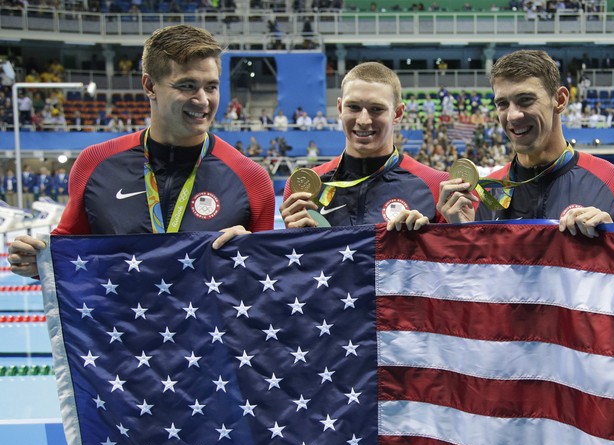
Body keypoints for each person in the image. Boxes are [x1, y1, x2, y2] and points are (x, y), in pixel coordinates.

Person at [7, 24, 275, 279]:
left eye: (211, 87)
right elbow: (67, 248)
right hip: (121, 326)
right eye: (187, 85)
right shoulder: (96, 164)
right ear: (149, 86)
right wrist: (35, 261)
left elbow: (268, 282)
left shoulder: (251, 179)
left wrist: (252, 254)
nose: (203, 100)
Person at [437, 49, 614, 236]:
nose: (512, 116)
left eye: (526, 100)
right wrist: (462, 234)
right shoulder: (478, 197)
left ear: (559, 100)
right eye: (502, 104)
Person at [280, 61, 447, 231]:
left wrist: (427, 240)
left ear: (397, 114)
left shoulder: (435, 186)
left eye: (376, 109)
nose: (363, 120)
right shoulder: (304, 188)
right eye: (353, 107)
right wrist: (292, 239)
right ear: (339, 108)